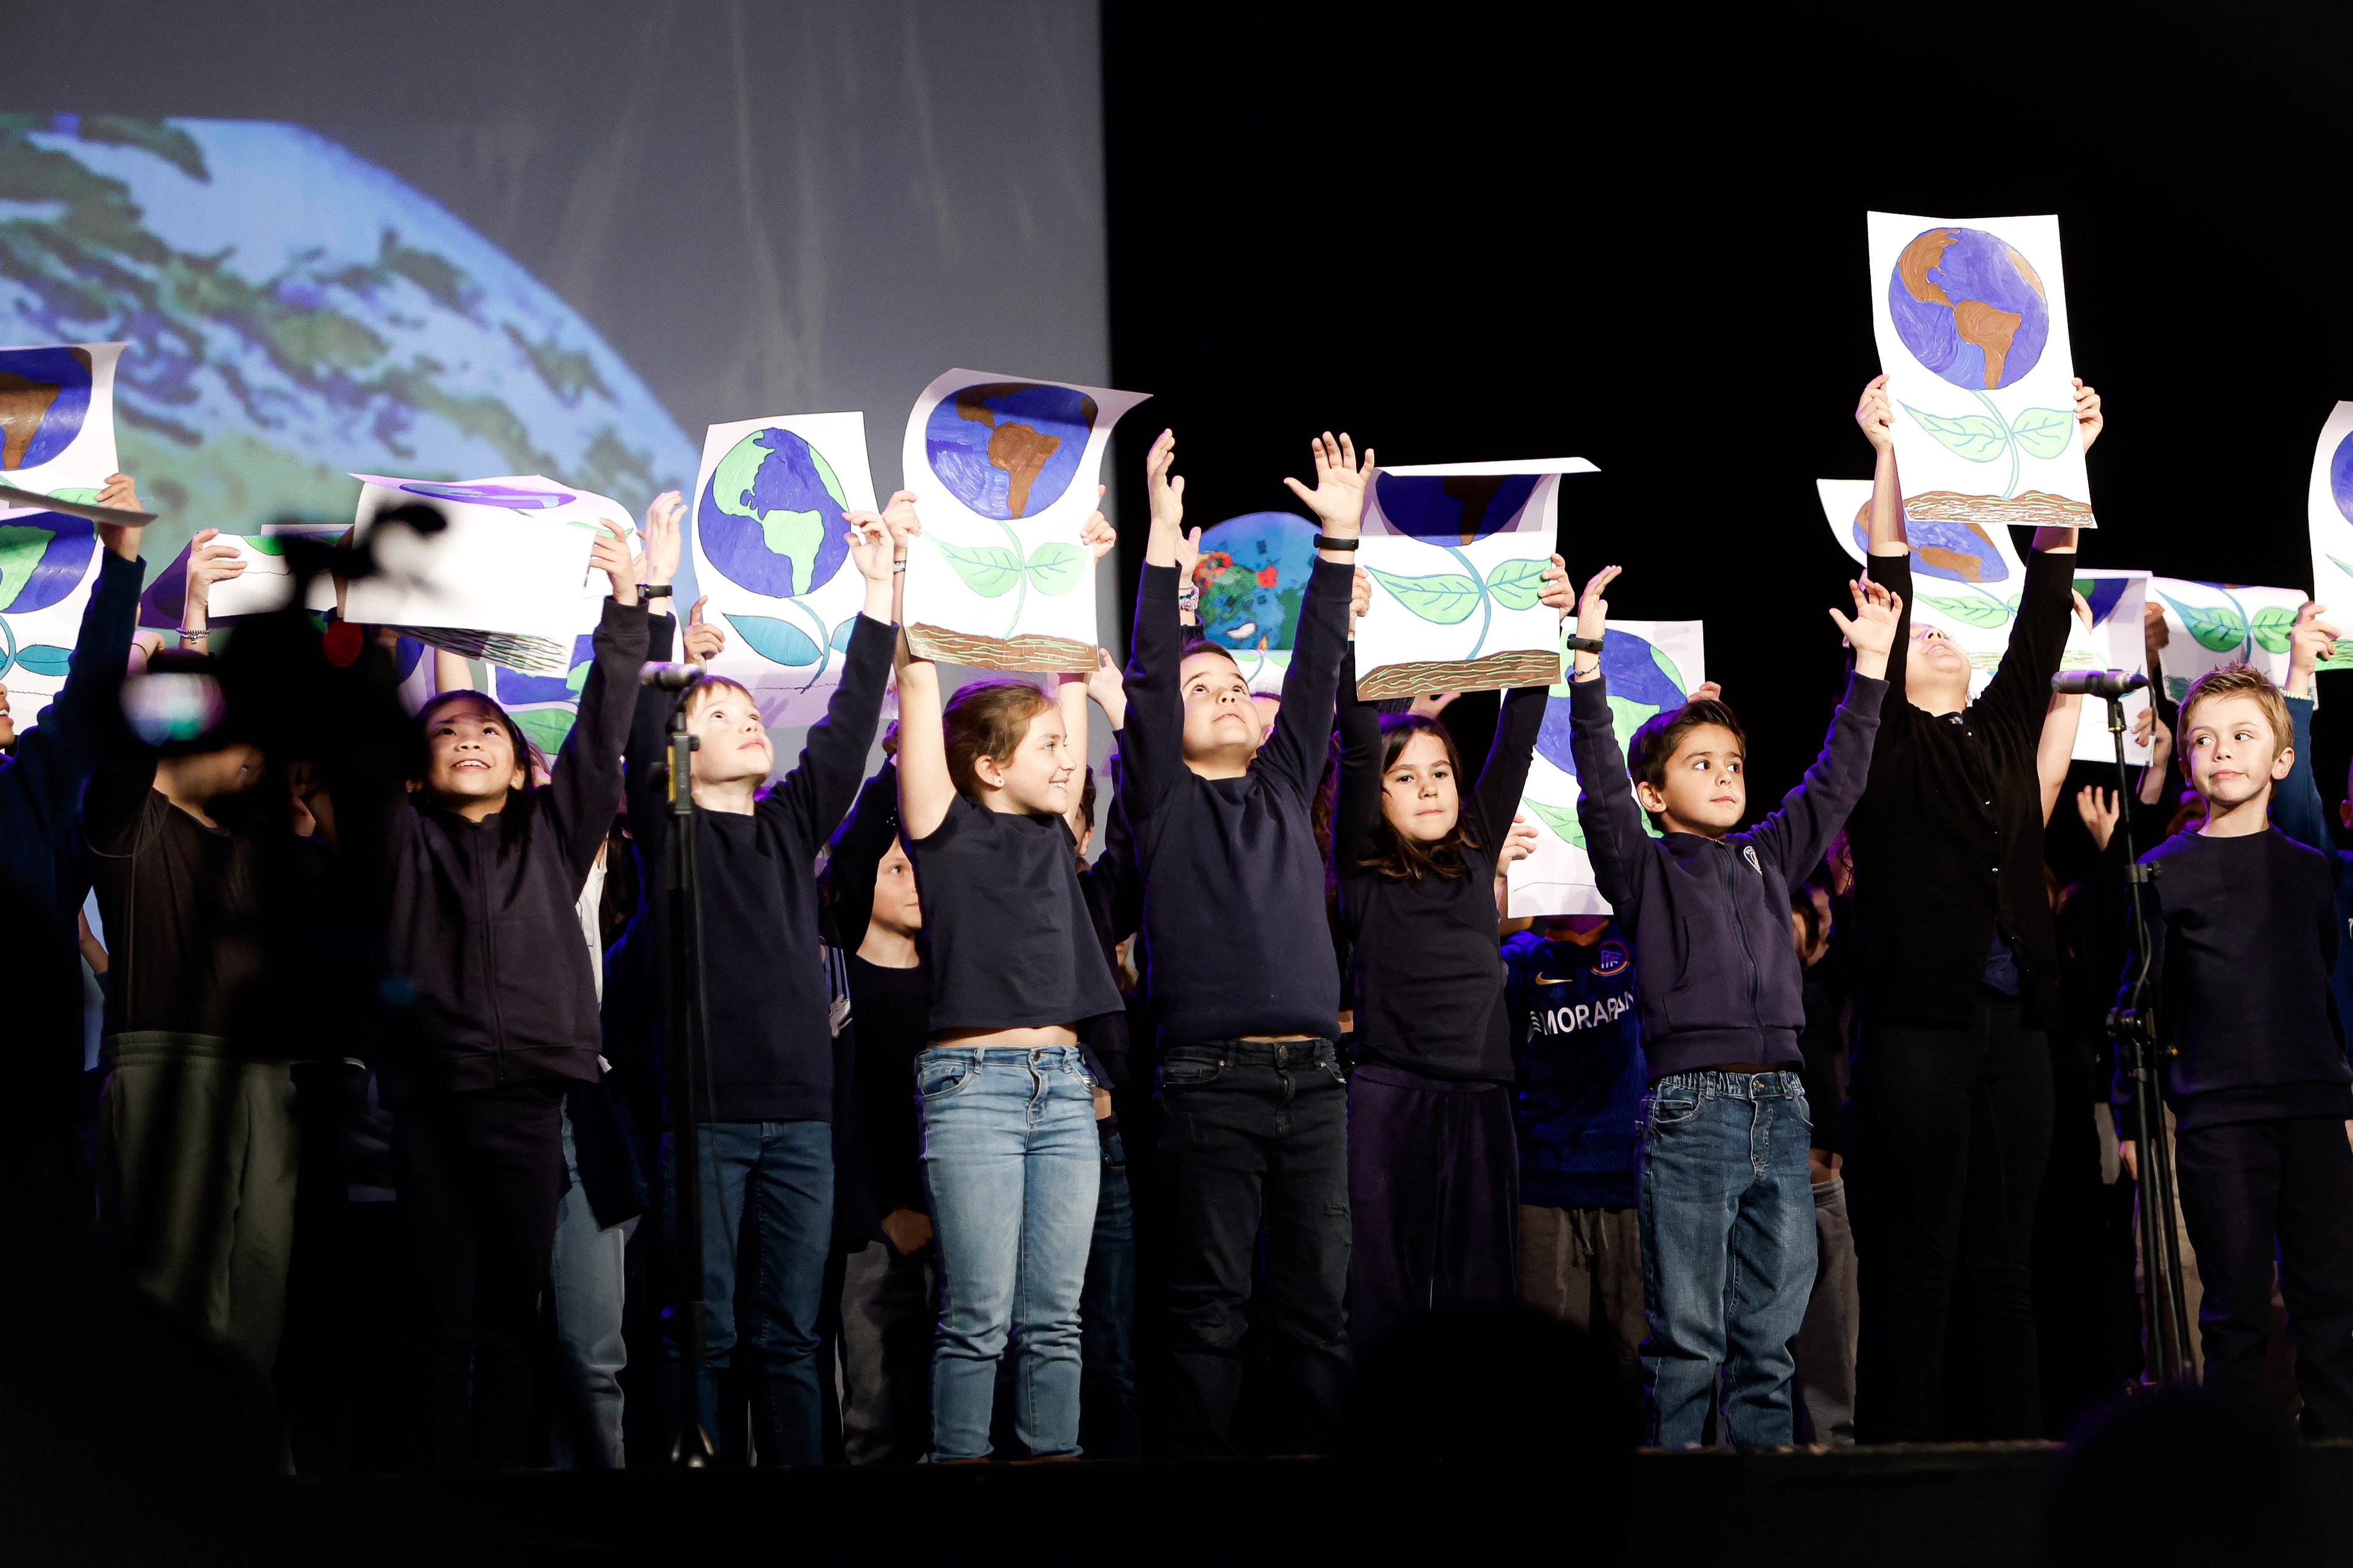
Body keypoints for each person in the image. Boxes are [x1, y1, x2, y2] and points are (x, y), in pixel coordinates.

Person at [1567, 561, 1896, 1446]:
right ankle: (1676, 1513)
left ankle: (1758, 1507)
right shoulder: (1643, 867)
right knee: (1684, 1338)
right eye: (1697, 762)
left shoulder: (1765, 856)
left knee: (1768, 1338)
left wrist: (1867, 670)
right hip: (1691, 1109)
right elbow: (1598, 786)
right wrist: (1586, 664)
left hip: (1780, 1108)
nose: (1722, 774)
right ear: (1653, 792)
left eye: (1732, 762)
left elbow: (1834, 782)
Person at [1844, 371, 2101, 1442]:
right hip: (1920, 1028)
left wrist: (2065, 455)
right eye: (1920, 640)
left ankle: (2021, 1470)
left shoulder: (1998, 729)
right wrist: (1890, 448)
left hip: (2017, 1027)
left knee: (2006, 1265)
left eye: (1956, 632)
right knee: (1922, 1262)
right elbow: (1891, 573)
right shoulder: (1883, 744)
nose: (1940, 636)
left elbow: (2045, 599)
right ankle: (1901, 1472)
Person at [622, 490, 902, 1465]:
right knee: (701, 1331)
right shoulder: (673, 831)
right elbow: (632, 735)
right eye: (720, 709)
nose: (747, 720)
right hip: (705, 1119)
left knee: (790, 1335)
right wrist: (660, 612)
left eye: (750, 710)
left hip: (802, 1123)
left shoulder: (787, 828)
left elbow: (847, 725)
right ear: (680, 749)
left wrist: (877, 595)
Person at [376, 513, 647, 1470]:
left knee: (513, 1318)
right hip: (434, 1099)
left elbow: (603, 723)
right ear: (416, 770)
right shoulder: (399, 841)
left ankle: (508, 1502)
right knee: (442, 1319)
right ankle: (444, 1502)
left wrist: (625, 604)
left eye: (489, 725)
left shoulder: (554, 831)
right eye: (448, 730)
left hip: (533, 1094)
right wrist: (372, 627)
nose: (472, 735)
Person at [1122, 430, 1365, 1455]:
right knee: (1208, 1314)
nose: (1225, 693)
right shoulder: (1165, 801)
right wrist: (1161, 547)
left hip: (1313, 1084)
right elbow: (1142, 680)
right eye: (1201, 688)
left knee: (1316, 1314)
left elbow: (1311, 676)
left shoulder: (1280, 783)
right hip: (1208, 1084)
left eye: (1232, 684)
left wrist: (1342, 539)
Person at [893, 503, 1121, 1463]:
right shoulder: (943, 828)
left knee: (1055, 1321)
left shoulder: (1052, 833)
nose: (1065, 760)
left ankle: (1052, 1484)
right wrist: (899, 574)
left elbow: (1068, 669)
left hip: (1066, 1090)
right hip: (973, 1091)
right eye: (1043, 749)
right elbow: (916, 679)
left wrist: (1075, 567)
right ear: (989, 765)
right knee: (977, 1316)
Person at [1333, 553, 1575, 1350]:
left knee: (1478, 1292)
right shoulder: (1361, 865)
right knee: (1386, 1286)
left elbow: (1515, 737)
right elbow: (1360, 742)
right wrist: (1348, 641)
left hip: (1479, 1096)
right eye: (1407, 777)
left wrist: (1543, 624)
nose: (1429, 784)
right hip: (1389, 1094)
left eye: (1439, 770)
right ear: (1376, 798)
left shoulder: (1475, 847)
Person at [2172, 621, 2353, 1431]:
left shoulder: (2312, 867)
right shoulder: (2162, 873)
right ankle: (2236, 1491)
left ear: (2278, 760)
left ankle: (2334, 1469)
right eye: (2203, 739)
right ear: (2183, 759)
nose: (2221, 751)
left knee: (2328, 1302)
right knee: (2234, 1307)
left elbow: (2324, 979)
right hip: (2218, 1114)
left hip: (2313, 1108)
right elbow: (2145, 997)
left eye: (2243, 735)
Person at [821, 750, 937, 1464]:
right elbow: (847, 1114)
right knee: (872, 1409)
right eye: (897, 868)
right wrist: (882, 1213)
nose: (914, 877)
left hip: (949, 1214)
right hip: (874, 1228)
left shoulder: (952, 981)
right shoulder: (839, 983)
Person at [1504, 912, 1647, 1377]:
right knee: (1548, 1366)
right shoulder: (1523, 953)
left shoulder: (1638, 937)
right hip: (1543, 1182)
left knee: (1638, 1358)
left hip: (1627, 1180)